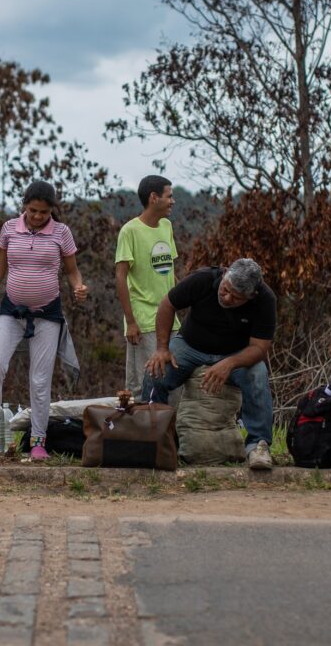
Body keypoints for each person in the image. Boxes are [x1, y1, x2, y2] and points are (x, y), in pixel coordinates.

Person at [0, 181, 87, 461]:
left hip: (47, 315)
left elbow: (72, 272)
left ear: (51, 211)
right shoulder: (9, 229)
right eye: (32, 210)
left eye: (43, 212)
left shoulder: (61, 233)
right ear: (24, 205)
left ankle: (38, 441)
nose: (37, 217)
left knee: (40, 380)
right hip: (11, 311)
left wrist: (78, 288)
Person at [141, 258, 276, 470]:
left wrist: (230, 363)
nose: (227, 297)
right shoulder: (203, 279)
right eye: (225, 289)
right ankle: (151, 438)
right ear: (224, 276)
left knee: (257, 374)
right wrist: (162, 349)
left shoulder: (265, 300)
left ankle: (258, 445)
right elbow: (167, 305)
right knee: (156, 370)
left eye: (236, 297)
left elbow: (259, 347)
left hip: (235, 352)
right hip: (190, 345)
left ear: (251, 296)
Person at [115, 175, 179, 395]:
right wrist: (131, 322)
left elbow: (170, 271)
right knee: (145, 384)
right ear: (154, 198)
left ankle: (170, 428)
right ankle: (139, 428)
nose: (173, 201)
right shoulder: (129, 231)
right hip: (144, 320)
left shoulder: (167, 226)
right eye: (169, 196)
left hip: (170, 318)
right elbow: (121, 277)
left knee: (173, 381)